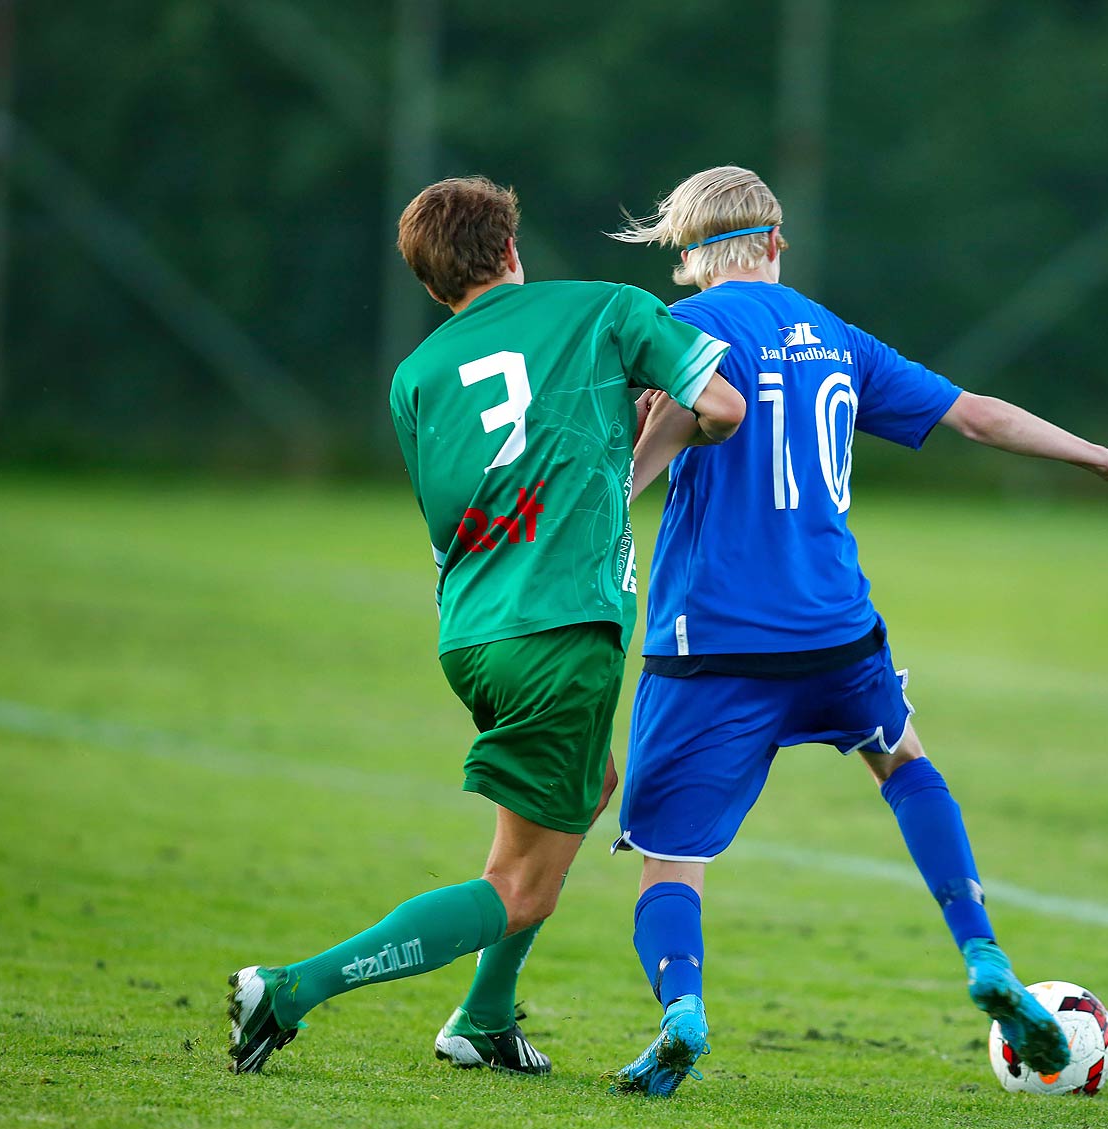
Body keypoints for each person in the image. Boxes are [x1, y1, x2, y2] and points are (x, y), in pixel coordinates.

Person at [602, 165, 1108, 1096]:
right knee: (903, 762)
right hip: (834, 625)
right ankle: (983, 954)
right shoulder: (833, 336)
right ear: (777, 243)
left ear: (687, 261)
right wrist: (1097, 455)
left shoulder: (683, 333)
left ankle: (683, 1013)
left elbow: (634, 469)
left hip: (713, 638)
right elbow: (976, 416)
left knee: (675, 855)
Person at [227, 176, 745, 1075]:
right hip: (563, 630)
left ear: (434, 286)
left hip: (473, 635)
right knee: (518, 887)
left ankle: (486, 1017)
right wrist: (651, 423)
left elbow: (450, 519)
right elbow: (724, 408)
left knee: (588, 789)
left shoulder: (415, 377)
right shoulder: (607, 309)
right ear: (511, 250)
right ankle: (291, 987)